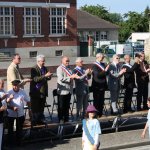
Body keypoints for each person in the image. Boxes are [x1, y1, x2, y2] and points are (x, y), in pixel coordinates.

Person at [30, 54, 52, 125]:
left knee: (41, 108)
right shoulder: (34, 68)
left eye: (44, 61)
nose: (44, 62)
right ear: (38, 61)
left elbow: (46, 78)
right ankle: (34, 122)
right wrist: (45, 76)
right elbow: (35, 79)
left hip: (43, 91)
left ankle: (40, 121)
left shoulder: (44, 68)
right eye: (42, 61)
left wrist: (49, 76)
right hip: (36, 91)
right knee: (35, 108)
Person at [7, 79, 31, 146]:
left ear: (19, 85)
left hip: (20, 114)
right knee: (10, 130)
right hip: (11, 114)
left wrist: (30, 110)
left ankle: (18, 143)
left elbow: (28, 101)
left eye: (16, 85)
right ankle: (10, 143)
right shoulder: (9, 92)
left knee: (19, 129)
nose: (15, 87)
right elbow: (6, 104)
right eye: (14, 85)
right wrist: (11, 106)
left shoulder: (22, 91)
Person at [57, 56, 79, 123]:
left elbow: (72, 77)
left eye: (68, 61)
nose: (68, 62)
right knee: (61, 106)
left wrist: (75, 77)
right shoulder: (59, 68)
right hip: (62, 90)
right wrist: (71, 77)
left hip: (69, 90)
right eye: (66, 61)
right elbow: (61, 79)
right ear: (62, 61)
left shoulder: (70, 68)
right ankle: (61, 119)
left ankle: (66, 118)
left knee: (67, 105)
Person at [92, 53, 108, 117]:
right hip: (97, 85)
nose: (103, 58)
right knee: (96, 100)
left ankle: (100, 113)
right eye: (102, 57)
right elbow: (98, 75)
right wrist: (105, 71)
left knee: (101, 100)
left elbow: (105, 74)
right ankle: (95, 114)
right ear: (98, 57)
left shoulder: (103, 64)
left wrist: (106, 71)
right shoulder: (94, 65)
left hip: (103, 84)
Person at [0, 79, 7, 150]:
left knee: (2, 133)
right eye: (1, 84)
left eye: (3, 84)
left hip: (3, 114)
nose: (2, 85)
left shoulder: (3, 91)